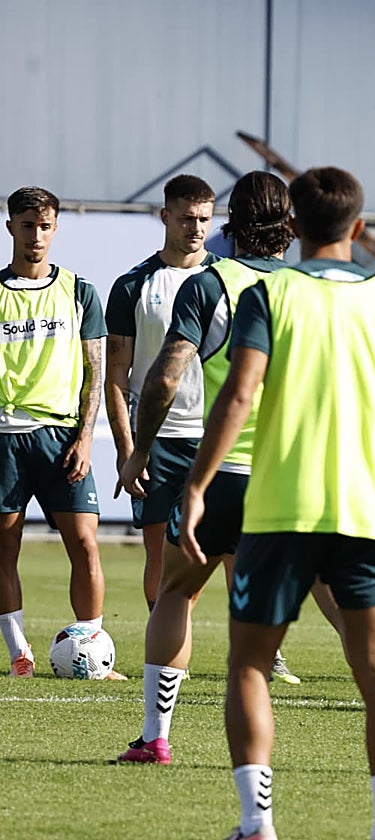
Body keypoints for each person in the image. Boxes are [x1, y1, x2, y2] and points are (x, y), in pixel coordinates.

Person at [177, 166, 375, 840]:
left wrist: (196, 485)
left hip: (279, 510)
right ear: (359, 229)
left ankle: (257, 824)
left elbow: (239, 396)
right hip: (369, 513)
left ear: (293, 227)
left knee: (248, 665)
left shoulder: (271, 295)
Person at [114, 172, 348, 765]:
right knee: (337, 599)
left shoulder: (208, 284)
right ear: (288, 226)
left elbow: (164, 376)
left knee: (176, 589)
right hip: (292, 476)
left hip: (219, 472)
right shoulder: (310, 289)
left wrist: (140, 449)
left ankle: (156, 737)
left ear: (230, 222)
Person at [0, 187, 118, 679]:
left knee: (86, 545)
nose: (36, 236)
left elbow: (96, 368)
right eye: (27, 226)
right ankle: (19, 654)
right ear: (11, 228)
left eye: (45, 226)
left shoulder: (78, 290)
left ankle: (90, 643)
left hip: (61, 437)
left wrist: (86, 437)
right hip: (5, 436)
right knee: (5, 550)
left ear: (55, 229)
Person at [105, 174, 216, 613]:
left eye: (205, 219)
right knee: (160, 551)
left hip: (216, 436)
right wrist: (127, 446)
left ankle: (267, 651)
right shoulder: (133, 285)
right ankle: (165, 641)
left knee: (217, 549)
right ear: (165, 216)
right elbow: (116, 373)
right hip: (157, 441)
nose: (197, 228)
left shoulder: (224, 280)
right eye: (188, 218)